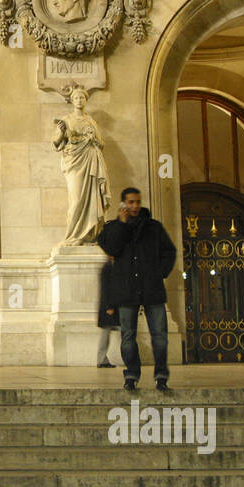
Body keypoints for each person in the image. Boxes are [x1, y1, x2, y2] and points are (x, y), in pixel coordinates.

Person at [97, 187, 177, 391]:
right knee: (128, 336)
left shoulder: (154, 227)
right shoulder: (113, 227)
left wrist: (159, 273)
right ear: (123, 204)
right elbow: (112, 248)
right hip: (127, 289)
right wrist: (122, 224)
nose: (134, 206)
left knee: (159, 335)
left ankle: (161, 374)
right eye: (130, 202)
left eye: (137, 202)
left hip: (152, 288)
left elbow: (169, 251)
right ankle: (131, 374)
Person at [52, 85, 111, 245]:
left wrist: (93, 139)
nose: (79, 100)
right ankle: (73, 236)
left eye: (82, 97)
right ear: (72, 101)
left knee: (92, 198)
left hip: (90, 160)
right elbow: (57, 143)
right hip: (74, 162)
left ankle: (89, 235)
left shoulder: (91, 121)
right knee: (76, 199)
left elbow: (101, 143)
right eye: (76, 97)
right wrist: (61, 132)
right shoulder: (66, 120)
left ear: (86, 100)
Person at [97, 256, 118, 368]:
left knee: (106, 334)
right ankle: (101, 359)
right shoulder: (107, 268)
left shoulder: (109, 266)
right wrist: (109, 306)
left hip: (111, 306)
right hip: (109, 307)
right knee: (106, 334)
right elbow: (105, 288)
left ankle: (102, 359)